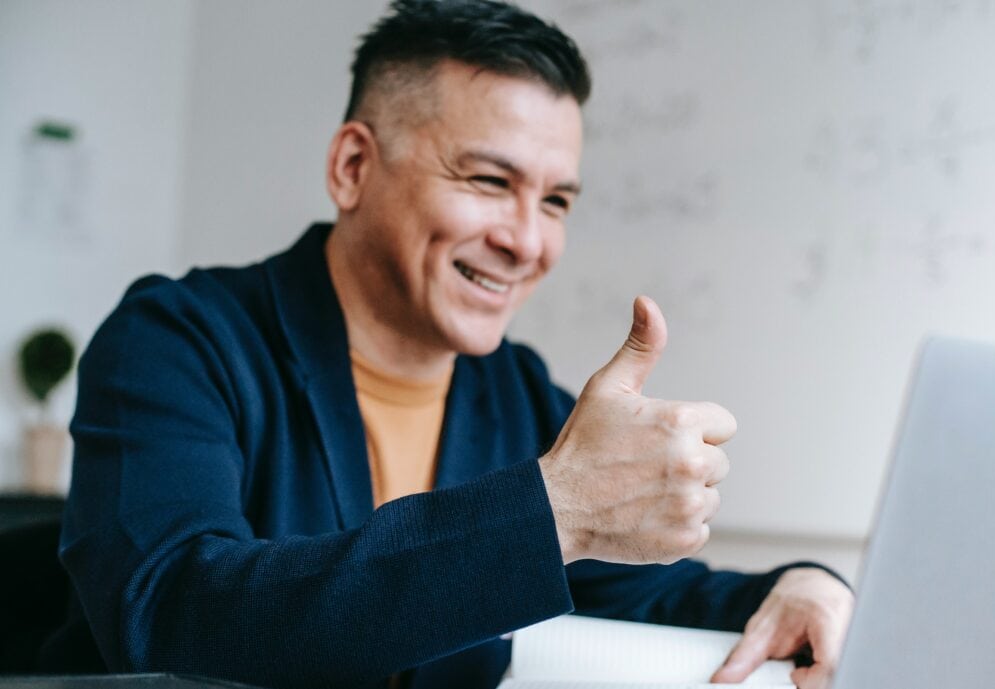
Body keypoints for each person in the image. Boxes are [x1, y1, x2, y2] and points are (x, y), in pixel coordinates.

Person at [43, 1, 853, 688]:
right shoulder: (178, 338)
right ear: (354, 166)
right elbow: (169, 614)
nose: (528, 241)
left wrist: (800, 582)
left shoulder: (514, 392)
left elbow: (647, 591)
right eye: (490, 182)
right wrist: (555, 512)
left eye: (558, 200)